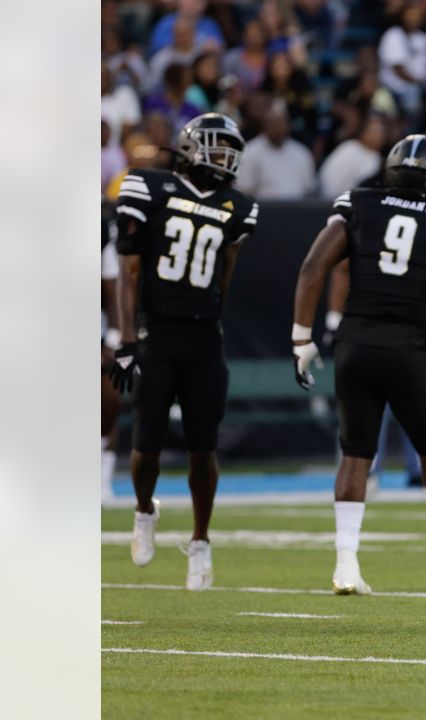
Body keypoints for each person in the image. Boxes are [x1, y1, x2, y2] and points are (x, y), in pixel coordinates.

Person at [290, 134, 426, 595]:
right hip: (408, 346)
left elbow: (312, 268)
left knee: (355, 452)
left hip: (355, 344)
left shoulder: (359, 204)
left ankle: (346, 562)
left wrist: (302, 338)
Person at [109, 113, 260, 591]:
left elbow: (227, 271)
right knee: (145, 446)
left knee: (203, 448)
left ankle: (200, 541)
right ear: (192, 148)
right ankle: (144, 510)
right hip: (158, 332)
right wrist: (129, 340)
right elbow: (130, 271)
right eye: (217, 149)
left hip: (202, 337)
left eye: (229, 151)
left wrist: (213, 318)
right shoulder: (147, 188)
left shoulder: (237, 206)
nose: (224, 159)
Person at [236, 102, 316, 199]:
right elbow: (244, 191)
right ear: (264, 125)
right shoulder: (250, 152)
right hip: (265, 211)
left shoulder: (301, 152)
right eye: (273, 123)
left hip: (297, 210)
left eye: (281, 123)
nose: (277, 128)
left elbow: (309, 190)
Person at [102, 201, 123, 501]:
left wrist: (114, 339)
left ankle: (103, 478)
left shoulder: (101, 233)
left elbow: (113, 287)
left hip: (96, 335)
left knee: (111, 402)